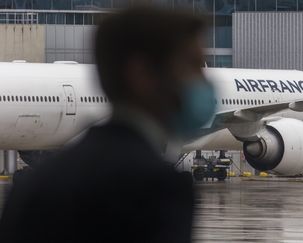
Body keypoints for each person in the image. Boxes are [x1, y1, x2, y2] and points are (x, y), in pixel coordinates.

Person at [0, 5, 215, 242]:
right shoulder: (161, 188)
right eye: (193, 66)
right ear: (141, 74)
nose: (203, 81)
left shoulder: (33, 185)